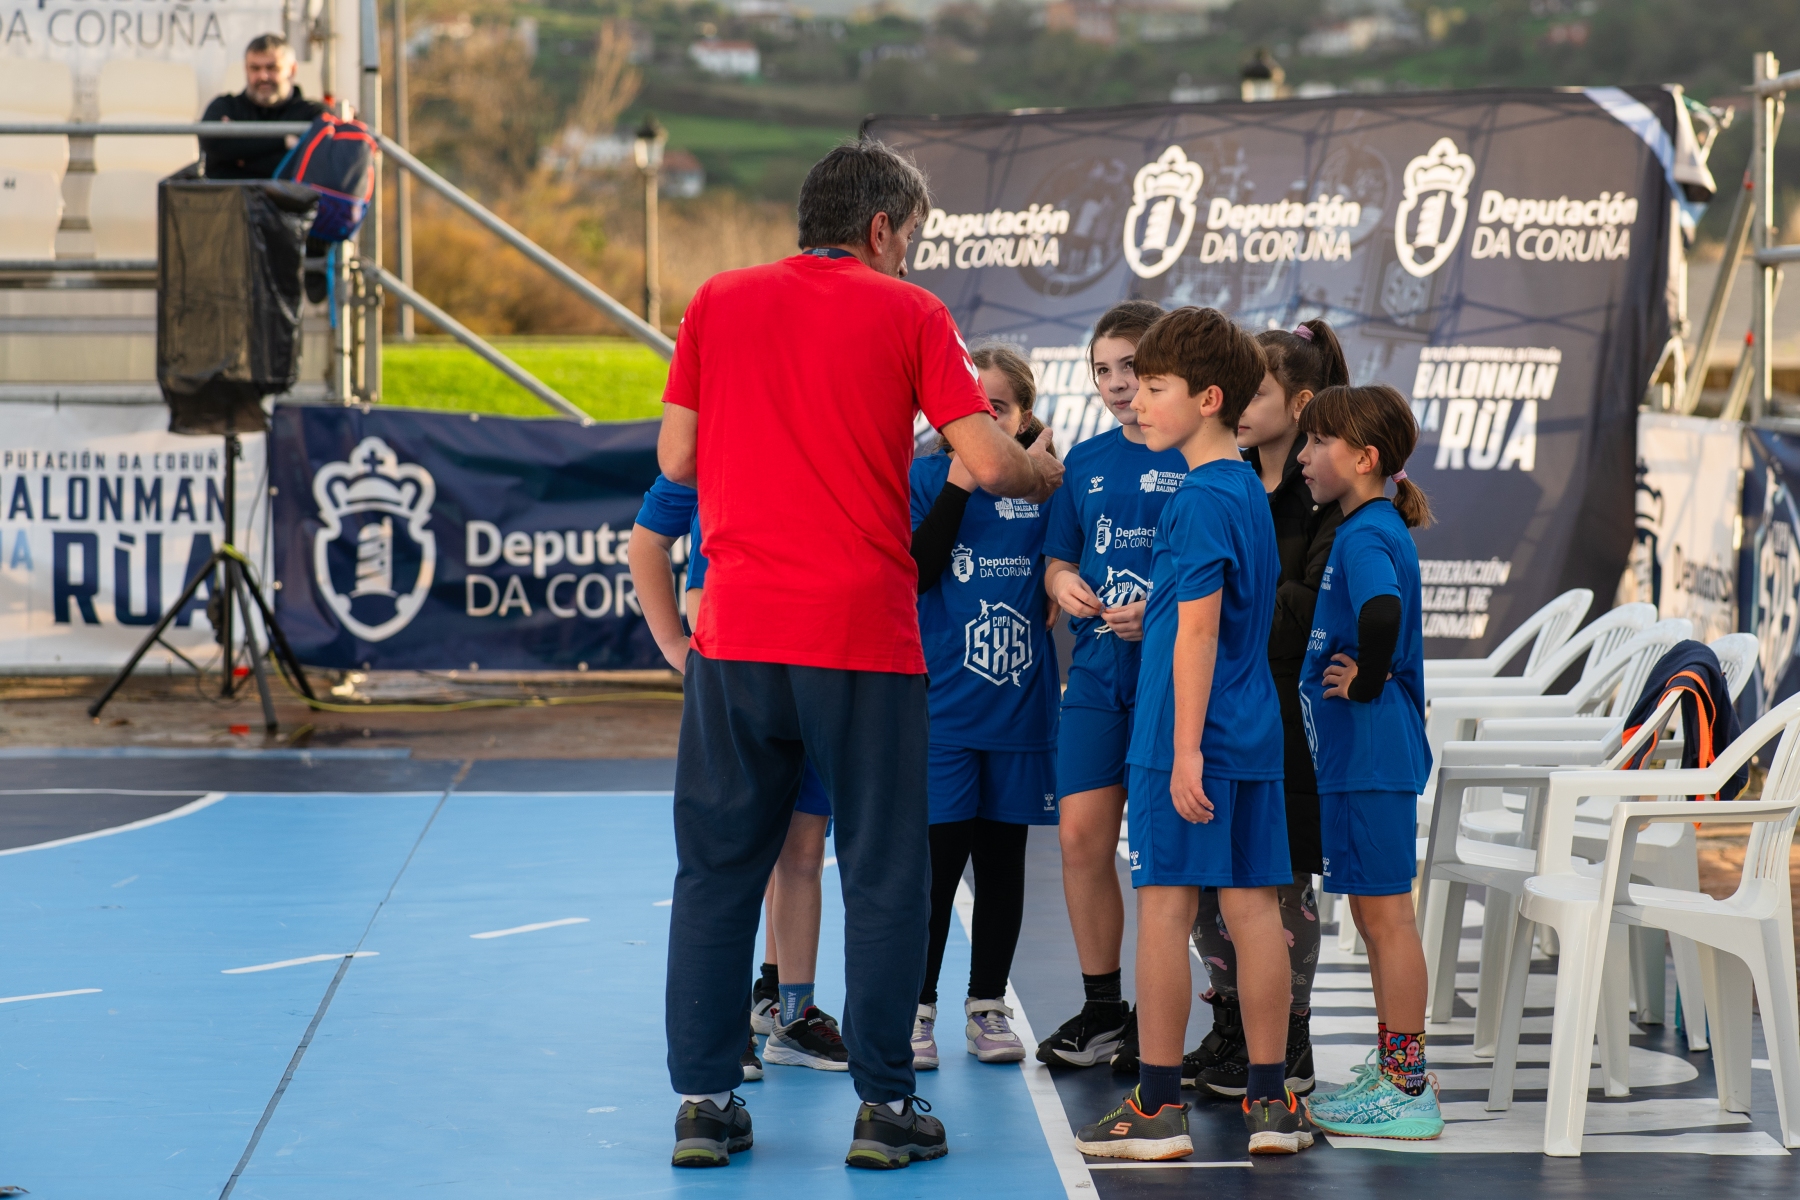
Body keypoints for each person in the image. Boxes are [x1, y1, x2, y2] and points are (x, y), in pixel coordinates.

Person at [657, 139, 1063, 1171]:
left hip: (738, 632)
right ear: (881, 229)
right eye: (910, 237)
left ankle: (705, 1103)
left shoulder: (716, 301)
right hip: (860, 638)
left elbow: (677, 457)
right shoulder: (910, 312)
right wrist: (1039, 473)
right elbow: (987, 463)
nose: (909, 255)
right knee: (884, 874)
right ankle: (886, 1109)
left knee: (716, 871)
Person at [1073, 307, 1314, 1162]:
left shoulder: (1199, 499)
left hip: (1190, 738)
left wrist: (1182, 751)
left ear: (1208, 399)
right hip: (1248, 733)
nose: (1135, 401)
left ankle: (1157, 1108)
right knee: (1253, 912)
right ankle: (1271, 1103)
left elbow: (1202, 632)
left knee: (1165, 911)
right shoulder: (1242, 486)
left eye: (1154, 387)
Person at [628, 479, 845, 1081]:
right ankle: (726, 1029)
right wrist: (674, 643)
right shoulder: (705, 456)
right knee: (737, 858)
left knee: (802, 853)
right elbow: (649, 544)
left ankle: (789, 1012)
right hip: (739, 676)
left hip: (816, 667)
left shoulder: (819, 453)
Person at [1185, 319, 1349, 1098]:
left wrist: (1224, 605)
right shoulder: (1228, 480)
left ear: (1302, 403)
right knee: (1208, 882)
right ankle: (1231, 1026)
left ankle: (1291, 1041)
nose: (1239, 407)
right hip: (1223, 706)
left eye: (1257, 393)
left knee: (1280, 885)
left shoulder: (1327, 502)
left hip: (1291, 717)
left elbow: (1309, 612)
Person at [1035, 301, 1188, 1073]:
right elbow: (1060, 557)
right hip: (1097, 675)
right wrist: (1062, 583)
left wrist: (1159, 613)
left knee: (1171, 859)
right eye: (1103, 370)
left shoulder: (1203, 460)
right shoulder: (1086, 462)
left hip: (1177, 683)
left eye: (1132, 367)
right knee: (1080, 838)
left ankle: (1206, 1024)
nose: (1118, 383)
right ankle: (1103, 1011)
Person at [1293, 384, 1442, 1140]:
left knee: (1387, 919)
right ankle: (1393, 1068)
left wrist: (1369, 681)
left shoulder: (1362, 535)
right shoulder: (1367, 525)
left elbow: (1381, 611)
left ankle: (1408, 1086)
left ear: (1363, 458)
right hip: (1364, 757)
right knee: (1373, 915)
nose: (1304, 456)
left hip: (1372, 754)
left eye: (1318, 442)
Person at [907, 346, 1061, 1072]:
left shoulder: (1050, 484)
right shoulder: (924, 476)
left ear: (1024, 417)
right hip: (943, 710)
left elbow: (1067, 566)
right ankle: (916, 1009)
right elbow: (916, 570)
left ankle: (987, 1005)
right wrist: (962, 481)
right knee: (935, 870)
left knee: (1003, 863)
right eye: (966, 408)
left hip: (1019, 709)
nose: (978, 420)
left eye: (995, 409)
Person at [201, 34, 326, 180]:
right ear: (246, 69)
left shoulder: (314, 113)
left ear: (292, 70)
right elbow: (213, 144)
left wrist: (240, 156)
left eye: (272, 68)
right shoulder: (224, 107)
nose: (263, 76)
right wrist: (283, 142)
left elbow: (319, 164)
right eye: (255, 68)